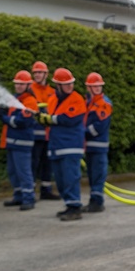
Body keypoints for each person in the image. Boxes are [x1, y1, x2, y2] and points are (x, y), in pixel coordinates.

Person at [37, 67, 87, 221]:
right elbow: (50, 116)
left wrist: (50, 119)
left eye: (71, 83)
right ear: (58, 85)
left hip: (71, 145)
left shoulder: (77, 99)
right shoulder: (52, 99)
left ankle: (75, 207)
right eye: (66, 84)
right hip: (56, 145)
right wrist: (41, 117)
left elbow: (70, 119)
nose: (70, 86)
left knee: (70, 177)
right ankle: (69, 204)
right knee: (59, 178)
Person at [0, 71, 39, 211]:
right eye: (17, 84)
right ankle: (18, 196)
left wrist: (4, 118)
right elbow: (11, 116)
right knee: (13, 172)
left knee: (24, 172)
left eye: (21, 84)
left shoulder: (30, 101)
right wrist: (1, 109)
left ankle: (29, 198)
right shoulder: (14, 99)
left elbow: (21, 121)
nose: (19, 86)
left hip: (22, 143)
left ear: (28, 85)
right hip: (11, 142)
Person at [83, 72, 113, 213]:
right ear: (88, 87)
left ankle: (97, 202)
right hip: (89, 146)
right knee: (92, 175)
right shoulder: (88, 102)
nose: (96, 89)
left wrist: (81, 132)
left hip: (98, 146)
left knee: (98, 175)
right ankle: (93, 201)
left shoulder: (104, 103)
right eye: (93, 86)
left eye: (98, 86)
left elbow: (99, 126)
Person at [29, 61, 59, 201]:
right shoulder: (29, 90)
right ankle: (31, 191)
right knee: (33, 163)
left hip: (48, 134)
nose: (37, 75)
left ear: (46, 74)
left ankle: (46, 190)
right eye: (35, 73)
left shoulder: (52, 92)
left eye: (40, 72)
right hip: (34, 134)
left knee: (48, 163)